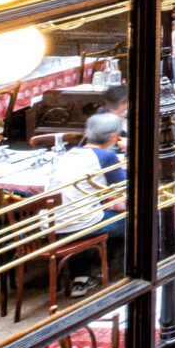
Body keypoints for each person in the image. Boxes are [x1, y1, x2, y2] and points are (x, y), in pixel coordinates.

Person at [51, 114, 127, 289]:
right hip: (80, 223)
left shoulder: (70, 153)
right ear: (114, 136)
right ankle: (126, 273)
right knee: (135, 220)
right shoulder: (106, 156)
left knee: (86, 216)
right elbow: (123, 183)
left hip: (52, 223)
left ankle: (81, 277)